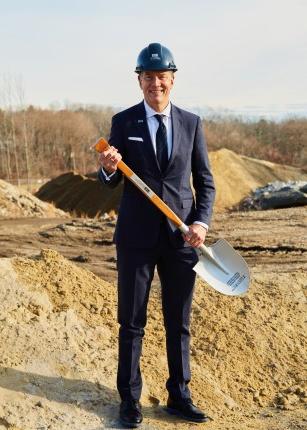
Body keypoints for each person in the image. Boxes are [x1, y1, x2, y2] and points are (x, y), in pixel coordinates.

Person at [97, 42, 215, 428]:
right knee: (132, 323)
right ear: (140, 81)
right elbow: (109, 182)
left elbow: (205, 182)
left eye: (161, 77)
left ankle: (179, 395)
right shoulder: (124, 122)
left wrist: (200, 223)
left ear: (172, 79)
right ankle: (129, 400)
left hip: (182, 239)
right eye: (148, 77)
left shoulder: (191, 123)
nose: (155, 84)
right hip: (136, 239)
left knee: (178, 322)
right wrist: (108, 168)